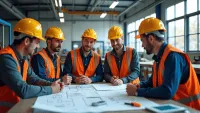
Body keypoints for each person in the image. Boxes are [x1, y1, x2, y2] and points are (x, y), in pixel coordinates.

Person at [126, 17, 200, 110]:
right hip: (171, 107)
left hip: (188, 109)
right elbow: (152, 82)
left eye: (142, 40)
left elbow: (167, 91)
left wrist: (137, 91)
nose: (142, 45)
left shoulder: (173, 56)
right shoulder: (159, 57)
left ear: (151, 38)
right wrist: (139, 85)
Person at [0, 18, 63, 112]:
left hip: (16, 108)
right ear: (26, 41)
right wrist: (51, 90)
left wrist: (51, 84)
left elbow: (34, 79)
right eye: (37, 42)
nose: (38, 46)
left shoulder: (23, 59)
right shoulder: (6, 58)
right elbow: (23, 89)